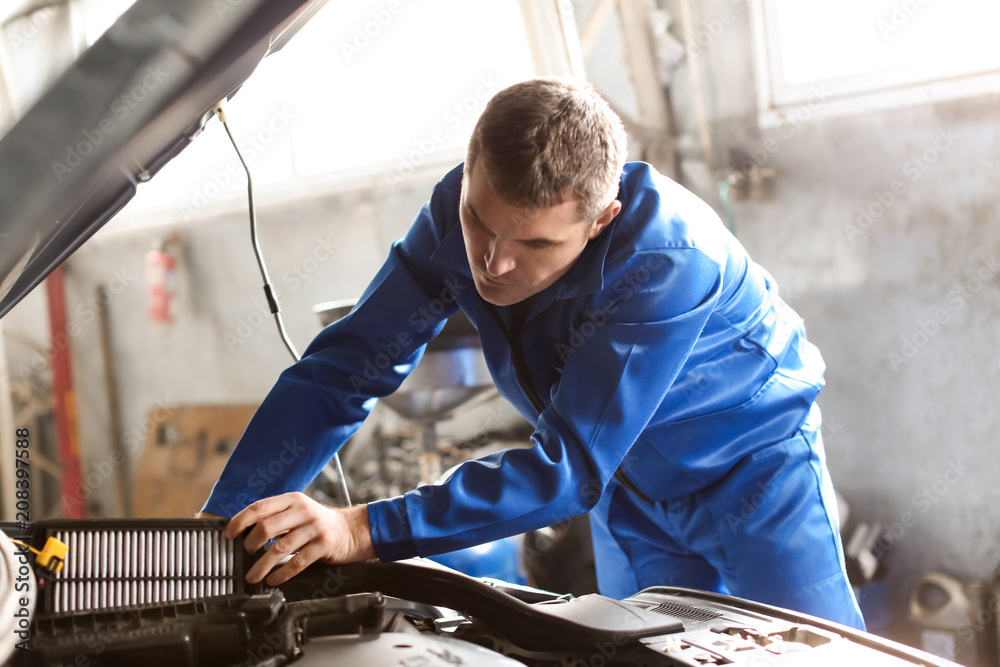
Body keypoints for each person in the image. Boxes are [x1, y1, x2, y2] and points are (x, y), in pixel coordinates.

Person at [199, 78, 865, 630]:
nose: (492, 262)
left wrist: (360, 528)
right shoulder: (450, 216)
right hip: (626, 490)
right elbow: (347, 367)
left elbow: (568, 467)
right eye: (478, 222)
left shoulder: (669, 259)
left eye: (535, 246)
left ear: (600, 220)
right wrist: (222, 525)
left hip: (753, 475)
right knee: (642, 652)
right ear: (468, 174)